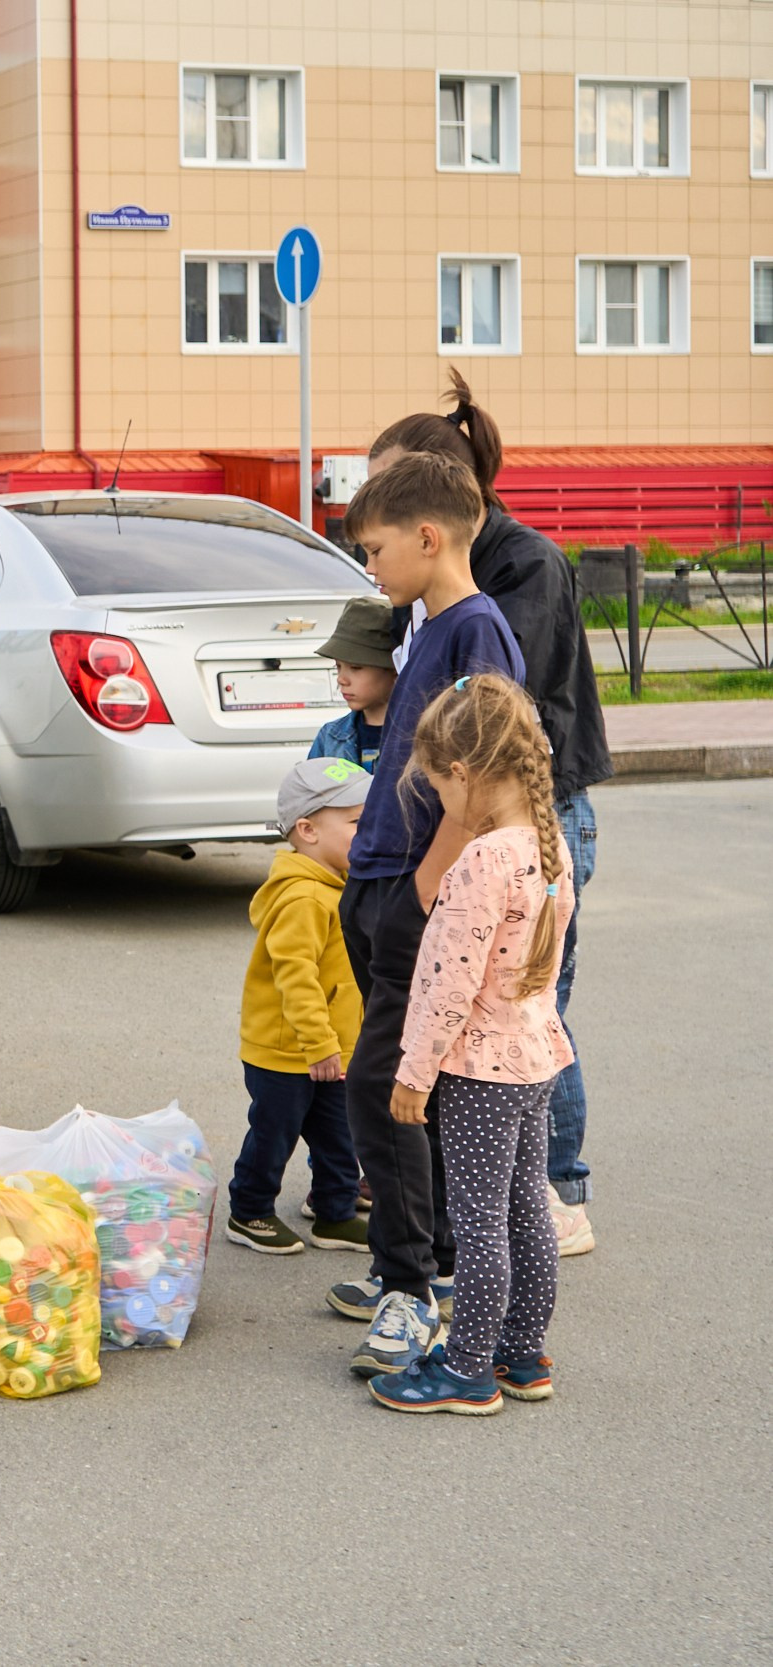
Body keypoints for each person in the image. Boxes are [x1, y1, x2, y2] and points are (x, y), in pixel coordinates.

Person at [368, 371, 610, 1257]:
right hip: (479, 824)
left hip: (530, 820)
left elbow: (492, 720)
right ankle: (508, 1199)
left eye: (388, 491)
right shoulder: (448, 594)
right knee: (492, 1014)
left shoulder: (516, 574)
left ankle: (557, 1190)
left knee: (527, 1014)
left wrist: (432, 868)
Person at [331, 451, 525, 1381]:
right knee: (403, 1088)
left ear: (427, 536)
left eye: (374, 551)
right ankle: (422, 1264)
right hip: (383, 880)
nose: (370, 569)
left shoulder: (474, 631)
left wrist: (417, 895)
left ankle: (409, 1288)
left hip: (417, 891)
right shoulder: (433, 624)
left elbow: (480, 781)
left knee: (383, 1087)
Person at [368, 674, 573, 1415]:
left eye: (440, 790)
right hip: (534, 1057)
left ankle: (466, 1367)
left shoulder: (483, 862)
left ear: (465, 775)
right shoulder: (545, 850)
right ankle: (524, 1352)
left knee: (482, 1220)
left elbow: (452, 984)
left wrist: (414, 1072)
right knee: (525, 1210)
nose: (441, 808)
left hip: (478, 1068)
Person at [227, 759, 369, 1257]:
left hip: (331, 1048)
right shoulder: (304, 897)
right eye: (355, 822)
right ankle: (249, 1209)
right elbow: (297, 977)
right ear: (307, 830)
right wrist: (319, 1042)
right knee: (274, 1133)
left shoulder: (339, 885)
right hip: (287, 1051)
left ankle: (335, 1213)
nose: (368, 831)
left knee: (339, 1136)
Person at [308, 595, 398, 771]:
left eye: (356, 668)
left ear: (394, 669)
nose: (342, 679)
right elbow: (311, 793)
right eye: (338, 666)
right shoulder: (329, 736)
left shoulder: (419, 737)